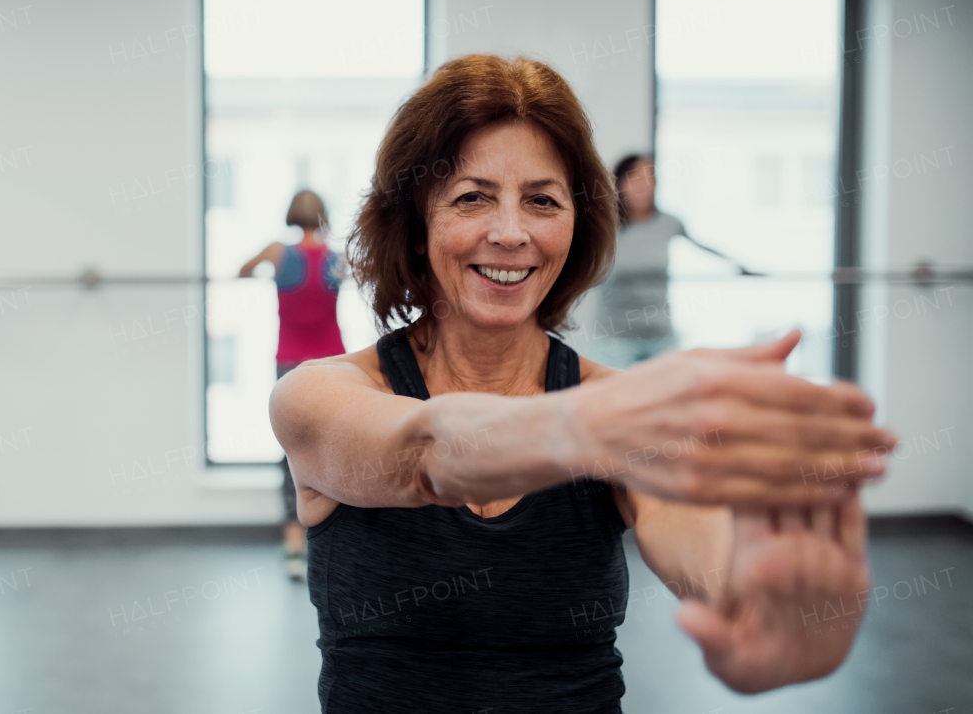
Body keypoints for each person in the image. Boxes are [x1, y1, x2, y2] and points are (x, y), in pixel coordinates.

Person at [270, 55, 895, 712]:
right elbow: (423, 453)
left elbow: (694, 533)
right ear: (417, 225)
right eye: (472, 197)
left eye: (542, 200)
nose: (510, 233)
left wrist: (760, 602)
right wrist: (590, 424)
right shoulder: (318, 396)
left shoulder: (619, 418)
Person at [239, 190, 346, 580]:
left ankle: (294, 545)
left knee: (290, 451)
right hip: (334, 363)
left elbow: (242, 271)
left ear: (291, 214)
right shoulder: (337, 258)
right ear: (323, 215)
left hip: (290, 363)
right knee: (332, 447)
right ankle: (333, 538)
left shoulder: (276, 252)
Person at [591, 153, 758, 368]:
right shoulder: (605, 226)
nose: (643, 184)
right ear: (620, 183)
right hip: (613, 340)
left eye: (649, 177)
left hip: (660, 339)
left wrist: (742, 267)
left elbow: (704, 247)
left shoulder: (669, 223)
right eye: (635, 177)